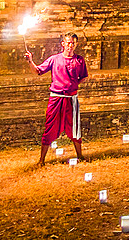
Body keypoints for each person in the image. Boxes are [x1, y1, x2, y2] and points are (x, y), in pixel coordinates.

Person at [25, 32, 88, 166]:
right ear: (63, 44)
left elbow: (83, 77)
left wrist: (73, 85)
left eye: (73, 43)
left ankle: (80, 156)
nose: (70, 45)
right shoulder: (54, 59)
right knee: (50, 127)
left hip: (71, 99)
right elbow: (38, 71)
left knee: (74, 128)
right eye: (68, 43)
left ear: (76, 45)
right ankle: (41, 160)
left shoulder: (79, 60)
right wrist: (30, 61)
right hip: (56, 98)